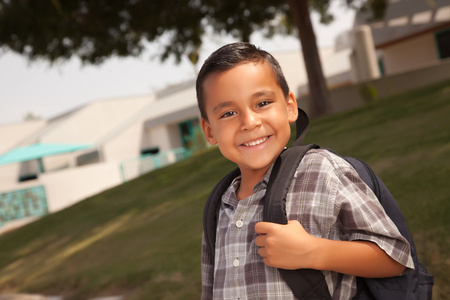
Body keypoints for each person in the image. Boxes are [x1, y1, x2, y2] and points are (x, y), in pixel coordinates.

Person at [197, 42, 413, 300]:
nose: (250, 122)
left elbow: (395, 257)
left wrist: (313, 251)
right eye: (229, 113)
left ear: (289, 106)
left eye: (262, 103)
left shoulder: (321, 169)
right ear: (209, 130)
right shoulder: (219, 205)